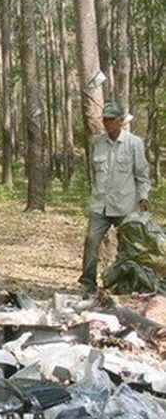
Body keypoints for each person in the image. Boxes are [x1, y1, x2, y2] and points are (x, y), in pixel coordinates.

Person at [78, 101, 150, 293]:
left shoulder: (134, 143)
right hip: (100, 204)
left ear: (120, 121)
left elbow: (142, 175)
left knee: (127, 247)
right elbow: (94, 172)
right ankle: (88, 283)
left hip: (124, 205)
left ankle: (124, 284)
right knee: (92, 241)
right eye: (105, 119)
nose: (107, 123)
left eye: (111, 119)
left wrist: (143, 197)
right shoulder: (97, 142)